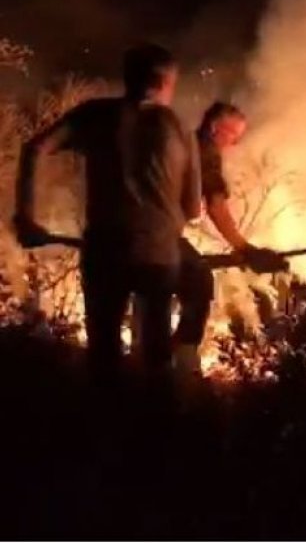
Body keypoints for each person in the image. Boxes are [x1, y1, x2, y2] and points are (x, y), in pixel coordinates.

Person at [14, 43, 201, 386]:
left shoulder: (95, 115)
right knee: (156, 353)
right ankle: (158, 425)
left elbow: (35, 148)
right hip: (159, 255)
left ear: (127, 78)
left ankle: (103, 423)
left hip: (105, 248)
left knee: (103, 352)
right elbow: (193, 209)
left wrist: (26, 216)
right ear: (166, 83)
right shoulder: (179, 128)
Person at [171, 101, 280, 375]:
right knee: (198, 281)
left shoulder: (179, 143)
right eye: (232, 135)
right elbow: (216, 207)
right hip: (159, 232)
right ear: (214, 127)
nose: (233, 144)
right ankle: (181, 366)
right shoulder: (204, 152)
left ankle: (154, 359)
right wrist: (245, 249)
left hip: (132, 227)